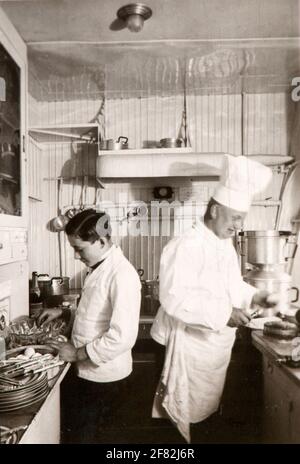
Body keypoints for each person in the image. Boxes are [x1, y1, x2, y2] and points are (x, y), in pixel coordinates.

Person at [150, 154, 279, 443]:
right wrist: (226, 315)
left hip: (210, 349)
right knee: (176, 424)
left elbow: (233, 286)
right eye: (235, 218)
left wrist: (256, 295)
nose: (238, 226)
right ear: (214, 210)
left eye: (241, 219)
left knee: (204, 416)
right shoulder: (186, 245)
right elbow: (174, 298)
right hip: (182, 346)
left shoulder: (224, 247)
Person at [38, 209, 141, 443]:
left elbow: (122, 337)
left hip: (104, 379)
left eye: (79, 248)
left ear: (102, 241)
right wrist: (64, 312)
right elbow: (94, 311)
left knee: (89, 438)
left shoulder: (122, 274)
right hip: (88, 372)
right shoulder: (99, 267)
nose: (76, 256)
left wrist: (76, 353)